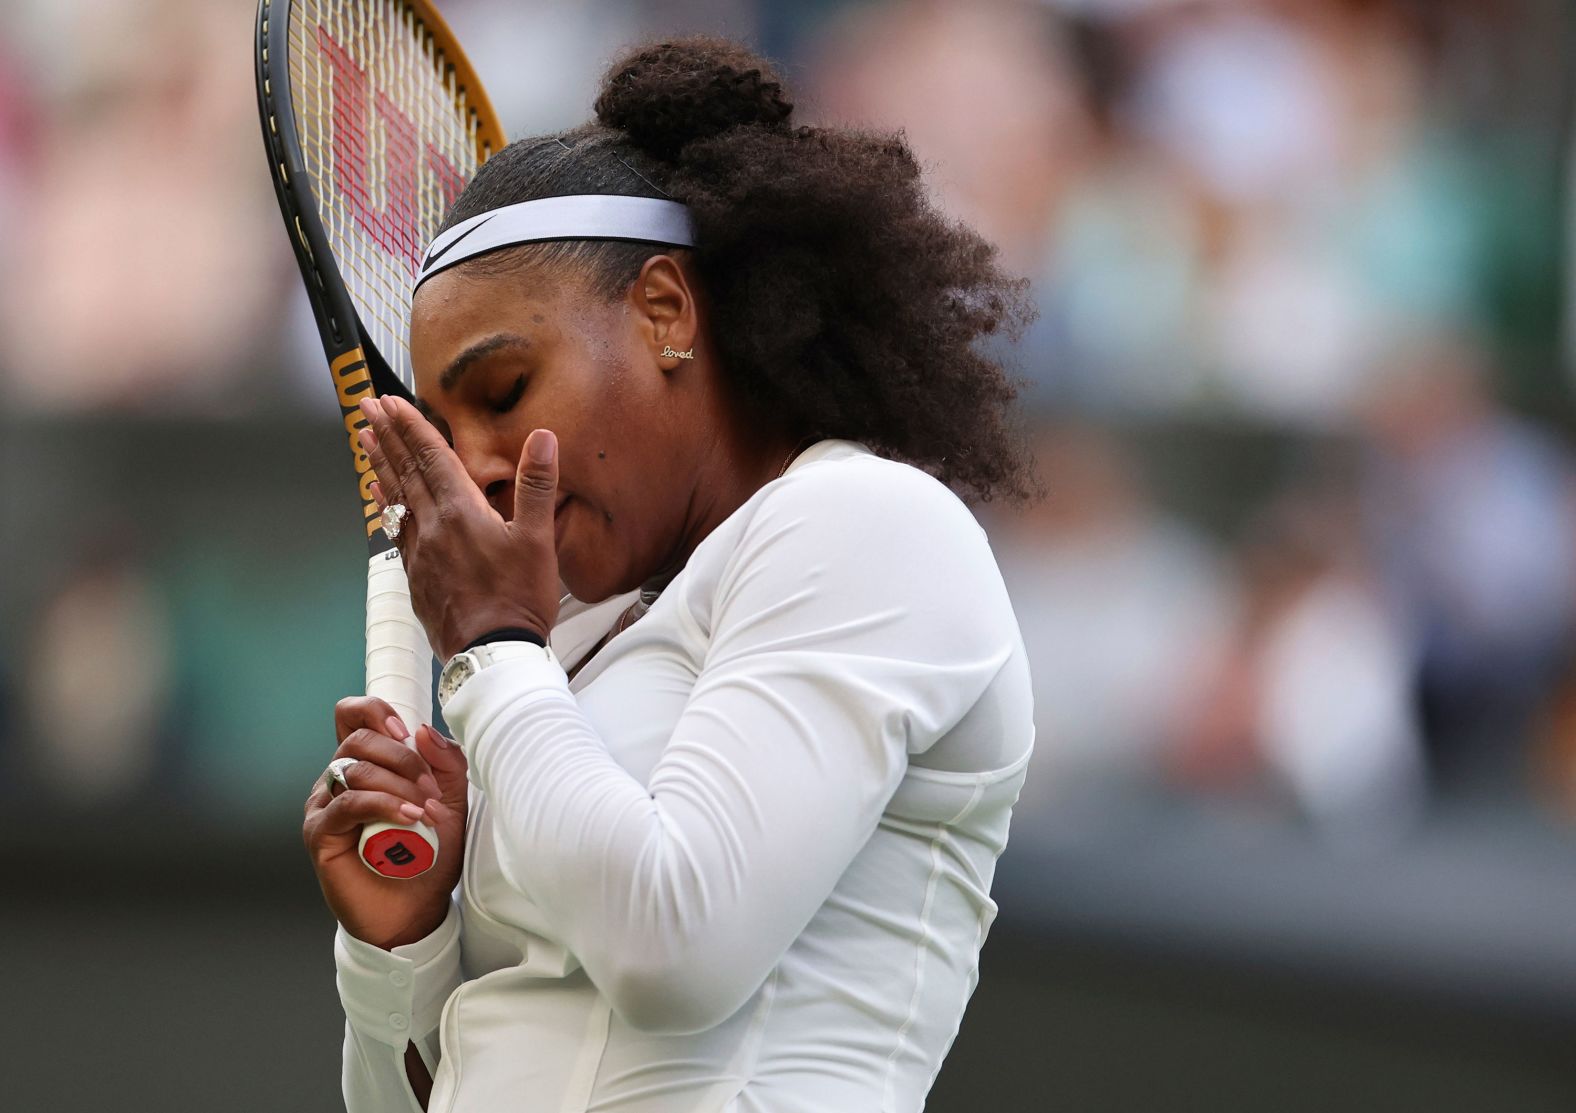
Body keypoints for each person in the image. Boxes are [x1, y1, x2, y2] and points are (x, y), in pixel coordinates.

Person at [301, 37, 1036, 1113]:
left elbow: (673, 952)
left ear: (666, 312)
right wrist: (402, 947)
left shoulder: (868, 525)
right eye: (445, 436)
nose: (477, 471)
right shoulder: (573, 640)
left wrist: (495, 653)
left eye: (503, 392)